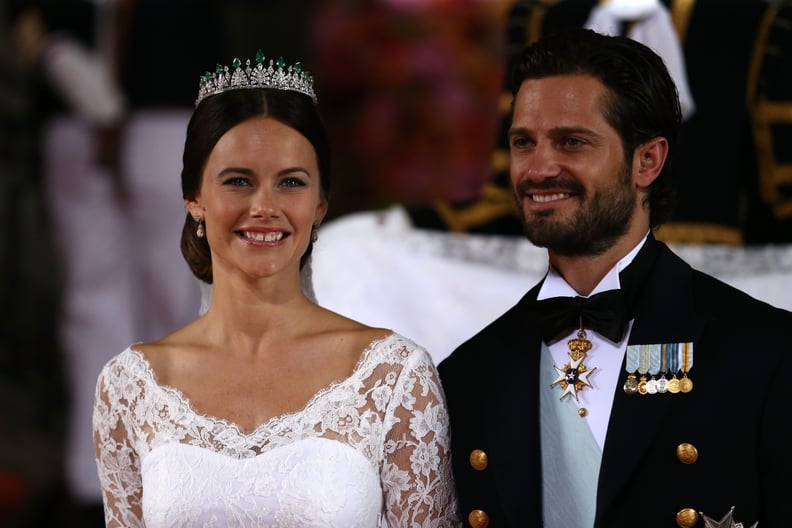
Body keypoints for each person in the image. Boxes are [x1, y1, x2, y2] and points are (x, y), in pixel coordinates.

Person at [438, 27, 792, 528]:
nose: (538, 169)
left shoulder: (766, 353)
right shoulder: (468, 375)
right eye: (524, 143)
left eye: (572, 142)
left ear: (647, 161)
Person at [91, 52, 460, 527]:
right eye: (238, 181)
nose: (264, 206)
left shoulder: (393, 378)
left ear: (320, 205)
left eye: (290, 182)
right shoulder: (129, 386)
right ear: (194, 200)